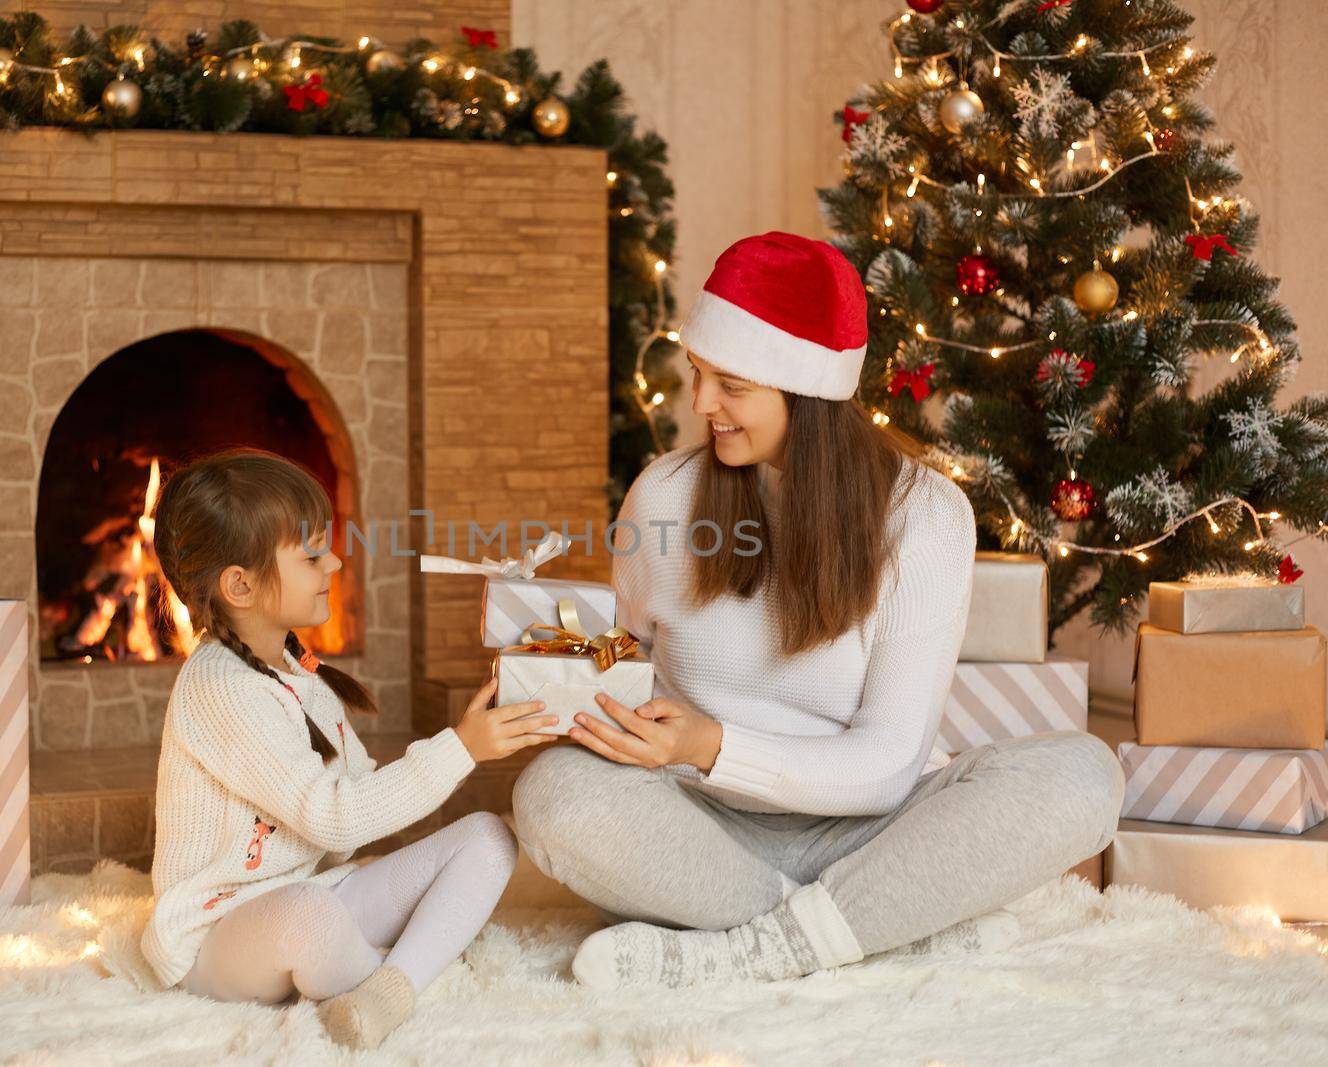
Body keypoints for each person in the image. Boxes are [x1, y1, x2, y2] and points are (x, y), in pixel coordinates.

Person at [511, 232, 1125, 989]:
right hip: (705, 829)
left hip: (877, 829)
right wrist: (547, 671)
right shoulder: (663, 496)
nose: (701, 403)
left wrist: (712, 743)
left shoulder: (926, 516)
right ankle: (876, 928)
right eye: (699, 373)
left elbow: (890, 764)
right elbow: (621, 655)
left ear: (805, 390)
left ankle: (750, 950)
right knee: (550, 792)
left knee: (1084, 775)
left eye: (730, 384)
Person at [140, 448, 557, 1048]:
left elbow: (357, 803)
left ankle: (387, 989)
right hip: (224, 934)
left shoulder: (297, 670)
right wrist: (460, 750)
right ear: (241, 585)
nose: (335, 561)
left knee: (489, 838)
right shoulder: (220, 688)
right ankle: (396, 970)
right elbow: (335, 819)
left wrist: (467, 741)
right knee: (309, 917)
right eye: (312, 555)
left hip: (321, 893)